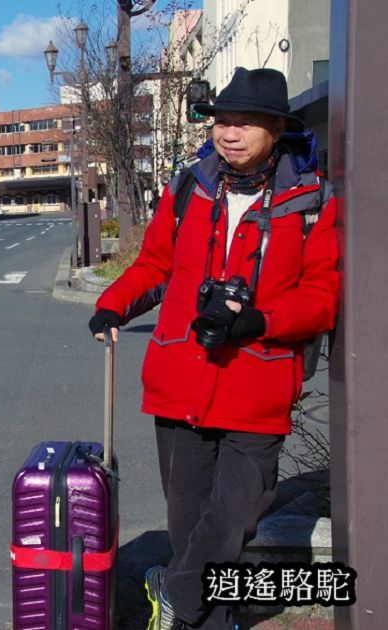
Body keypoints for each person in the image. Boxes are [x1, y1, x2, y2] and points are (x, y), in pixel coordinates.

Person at [88, 67, 340, 629]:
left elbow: (323, 297)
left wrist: (258, 321)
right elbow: (155, 265)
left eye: (245, 122)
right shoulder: (190, 187)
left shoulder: (311, 202)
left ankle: (173, 589)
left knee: (232, 520)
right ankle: (204, 618)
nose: (229, 132)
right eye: (223, 120)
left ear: (276, 129)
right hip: (179, 380)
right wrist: (114, 303)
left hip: (259, 384)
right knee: (187, 521)